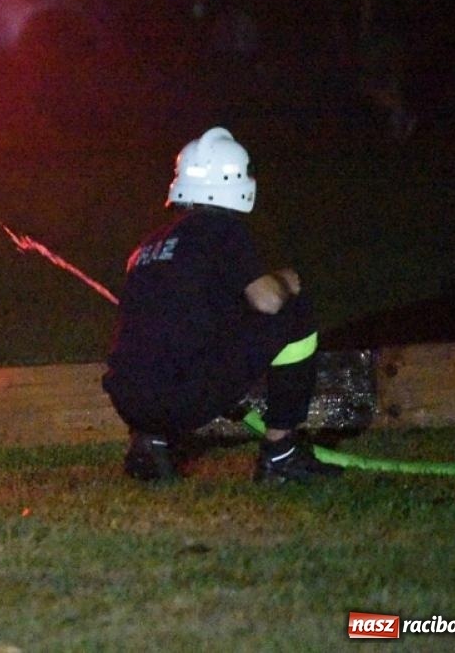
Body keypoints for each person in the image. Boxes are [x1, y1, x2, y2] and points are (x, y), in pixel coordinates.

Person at [102, 127, 342, 485]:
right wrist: (285, 280)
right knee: (295, 312)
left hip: (129, 398)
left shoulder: (148, 245)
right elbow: (268, 301)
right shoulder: (222, 230)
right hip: (180, 396)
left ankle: (151, 444)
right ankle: (282, 454)